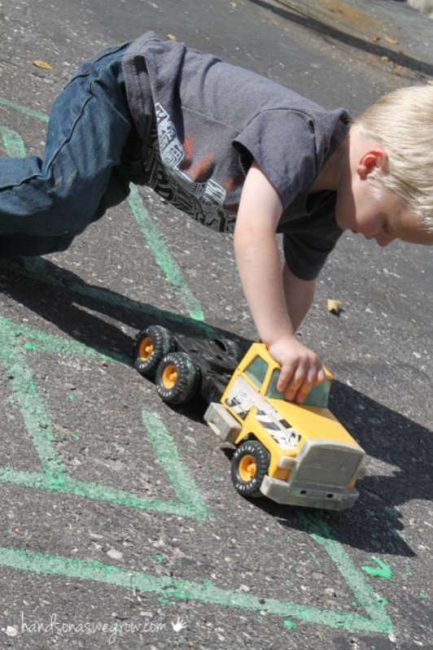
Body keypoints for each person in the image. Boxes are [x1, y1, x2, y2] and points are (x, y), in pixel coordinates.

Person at [1, 32, 432, 403]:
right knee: (56, 197)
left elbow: (299, 280)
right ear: (370, 165)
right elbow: (253, 231)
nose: (383, 241)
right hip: (125, 92)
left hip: (140, 152)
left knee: (48, 231)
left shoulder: (327, 212)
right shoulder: (299, 139)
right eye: (389, 225)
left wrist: (272, 353)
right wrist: (280, 337)